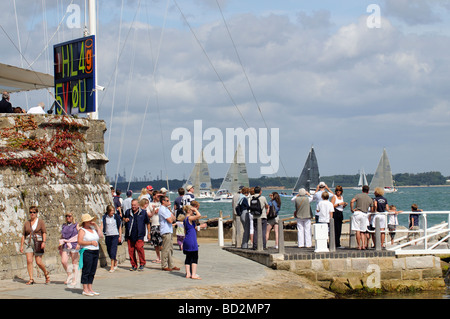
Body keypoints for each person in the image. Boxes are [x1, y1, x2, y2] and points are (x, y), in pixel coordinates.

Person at [20, 206, 50, 285]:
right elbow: (23, 235)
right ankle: (31, 279)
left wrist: (44, 242)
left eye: (34, 212)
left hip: (38, 242)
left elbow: (44, 232)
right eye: (31, 212)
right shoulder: (27, 223)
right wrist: (22, 245)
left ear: (36, 213)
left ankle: (46, 273)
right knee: (29, 260)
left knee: (38, 262)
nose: (32, 214)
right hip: (29, 242)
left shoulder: (40, 222)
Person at [77, 213, 102, 296]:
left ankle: (90, 288)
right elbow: (80, 242)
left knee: (92, 270)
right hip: (87, 251)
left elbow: (100, 235)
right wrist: (90, 242)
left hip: (95, 250)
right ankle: (85, 289)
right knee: (86, 270)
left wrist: (96, 226)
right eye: (89, 220)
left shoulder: (93, 229)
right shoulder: (82, 230)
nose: (91, 221)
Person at [123, 199, 150, 271]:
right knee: (131, 251)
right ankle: (134, 265)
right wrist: (125, 219)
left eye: (134, 205)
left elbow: (148, 223)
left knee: (139, 248)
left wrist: (149, 233)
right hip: (130, 234)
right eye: (132, 205)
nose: (133, 206)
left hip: (140, 234)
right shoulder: (128, 212)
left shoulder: (143, 213)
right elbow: (123, 218)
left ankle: (142, 263)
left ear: (138, 205)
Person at [159, 195, 180, 271]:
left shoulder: (167, 209)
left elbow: (174, 218)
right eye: (167, 201)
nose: (169, 202)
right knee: (165, 249)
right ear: (163, 201)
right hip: (165, 231)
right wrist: (171, 217)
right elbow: (170, 220)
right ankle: (164, 265)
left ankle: (171, 264)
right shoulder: (162, 209)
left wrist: (171, 215)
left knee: (170, 249)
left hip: (169, 230)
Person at [59, 212, 79, 286]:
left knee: (74, 263)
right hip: (66, 244)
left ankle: (74, 279)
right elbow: (62, 235)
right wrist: (60, 243)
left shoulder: (76, 225)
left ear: (72, 217)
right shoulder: (64, 225)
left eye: (69, 216)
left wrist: (79, 244)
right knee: (63, 261)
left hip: (74, 244)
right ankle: (69, 274)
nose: (68, 217)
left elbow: (80, 233)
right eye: (66, 216)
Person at [350, 185, 373, 250]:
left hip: (357, 213)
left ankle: (359, 245)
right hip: (364, 214)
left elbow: (352, 201)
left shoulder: (358, 195)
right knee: (363, 231)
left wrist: (352, 209)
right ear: (368, 191)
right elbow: (372, 209)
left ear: (362, 190)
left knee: (357, 230)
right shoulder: (370, 198)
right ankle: (363, 245)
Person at [183, 204, 202, 279]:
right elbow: (199, 215)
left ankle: (188, 273)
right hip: (192, 239)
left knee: (188, 257)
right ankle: (193, 274)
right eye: (191, 210)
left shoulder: (185, 219)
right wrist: (196, 210)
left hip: (187, 239)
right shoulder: (189, 218)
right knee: (194, 256)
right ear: (188, 211)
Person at [101, 205, 122, 272]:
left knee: (113, 250)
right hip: (108, 235)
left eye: (113, 210)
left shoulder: (116, 217)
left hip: (115, 235)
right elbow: (102, 225)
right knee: (109, 250)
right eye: (111, 211)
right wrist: (100, 232)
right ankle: (115, 260)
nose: (113, 212)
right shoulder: (104, 217)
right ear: (108, 211)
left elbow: (119, 226)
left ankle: (112, 266)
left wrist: (120, 236)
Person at [148, 191, 163, 263]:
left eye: (159, 196)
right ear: (153, 196)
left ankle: (163, 257)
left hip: (161, 225)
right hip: (154, 224)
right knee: (155, 243)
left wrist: (161, 195)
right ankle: (158, 257)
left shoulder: (162, 204)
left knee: (161, 242)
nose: (158, 197)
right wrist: (154, 210)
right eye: (157, 196)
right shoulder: (150, 204)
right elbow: (150, 215)